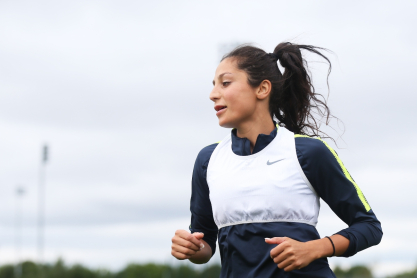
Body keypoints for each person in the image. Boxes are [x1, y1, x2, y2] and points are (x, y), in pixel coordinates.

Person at [171, 42, 383, 277]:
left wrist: (315, 248)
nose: (213, 95)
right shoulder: (207, 160)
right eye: (213, 85)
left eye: (225, 83)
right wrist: (192, 247)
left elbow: (369, 227)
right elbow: (205, 244)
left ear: (262, 89)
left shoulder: (308, 151)